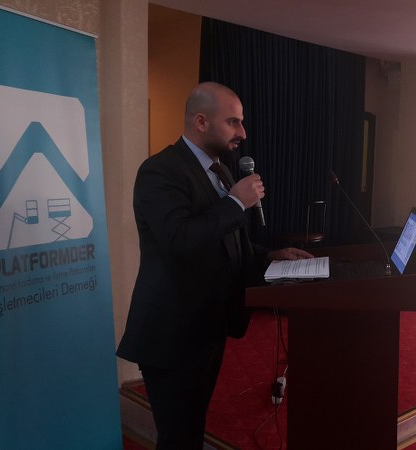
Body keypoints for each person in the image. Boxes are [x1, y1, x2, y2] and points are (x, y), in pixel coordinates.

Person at [116, 81, 311, 449]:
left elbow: (225, 242)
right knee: (178, 437)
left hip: (208, 327)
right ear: (201, 121)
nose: (243, 133)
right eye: (233, 122)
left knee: (192, 427)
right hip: (172, 334)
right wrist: (235, 203)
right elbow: (179, 240)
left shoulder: (219, 170)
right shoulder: (160, 171)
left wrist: (269, 255)